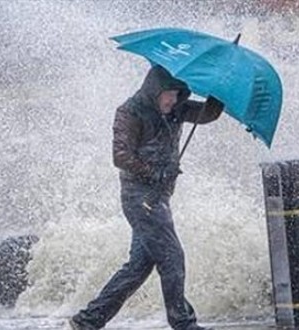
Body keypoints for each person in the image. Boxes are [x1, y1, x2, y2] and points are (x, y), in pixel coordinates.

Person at [69, 65, 223, 330]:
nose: (172, 100)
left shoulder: (176, 110)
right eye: (169, 94)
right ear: (155, 90)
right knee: (172, 257)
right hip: (139, 198)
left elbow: (208, 113)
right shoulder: (130, 112)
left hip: (160, 197)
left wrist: (219, 89)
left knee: (138, 267)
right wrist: (155, 173)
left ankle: (88, 320)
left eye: (178, 94)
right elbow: (120, 156)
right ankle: (183, 323)